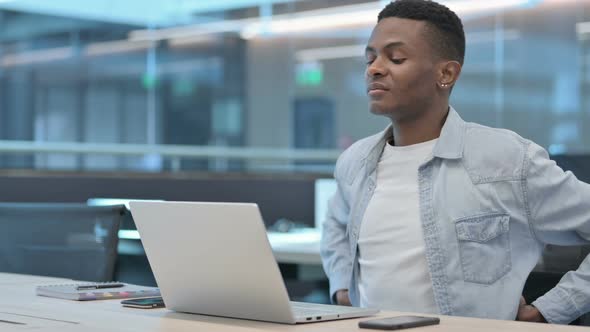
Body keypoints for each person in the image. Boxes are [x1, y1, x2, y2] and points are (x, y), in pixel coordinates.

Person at [319, 0, 590, 325]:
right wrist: (341, 287)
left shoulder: (506, 161)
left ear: (446, 73)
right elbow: (335, 225)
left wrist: (550, 310)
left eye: (396, 58)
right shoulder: (356, 161)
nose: (374, 68)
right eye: (370, 57)